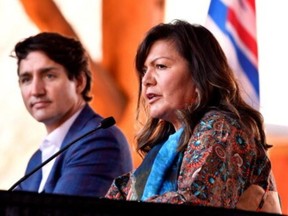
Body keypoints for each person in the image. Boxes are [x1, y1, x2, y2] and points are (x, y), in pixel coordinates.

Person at [105, 20, 282, 214]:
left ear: (199, 75)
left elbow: (195, 204)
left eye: (161, 66)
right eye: (144, 70)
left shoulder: (221, 127)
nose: (146, 80)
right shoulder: (164, 149)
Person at [12, 32, 133, 197]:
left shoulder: (99, 141)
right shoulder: (38, 159)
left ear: (79, 82)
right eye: (26, 79)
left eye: (49, 76)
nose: (35, 90)